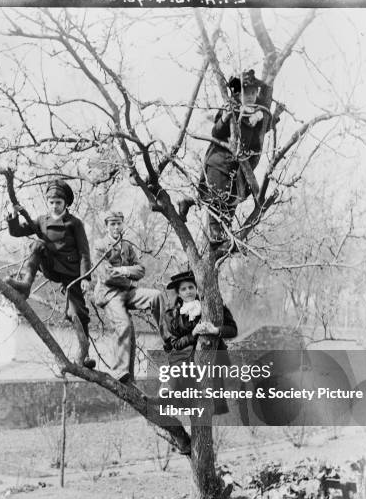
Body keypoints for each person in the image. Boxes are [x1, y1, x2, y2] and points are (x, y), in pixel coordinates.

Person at [178, 69, 282, 245]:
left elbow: (261, 131)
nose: (250, 96)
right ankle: (216, 234)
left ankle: (200, 211)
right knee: (217, 199)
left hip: (238, 167)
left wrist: (275, 116)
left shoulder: (257, 113)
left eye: (253, 93)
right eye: (246, 93)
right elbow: (216, 131)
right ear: (238, 93)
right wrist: (226, 117)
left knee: (232, 199)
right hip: (220, 162)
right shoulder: (231, 107)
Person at [5, 179, 95, 369]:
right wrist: (14, 215)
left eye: (58, 202)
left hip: (71, 272)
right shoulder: (42, 220)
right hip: (52, 266)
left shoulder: (74, 223)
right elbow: (16, 232)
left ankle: (85, 356)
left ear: (66, 204)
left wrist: (85, 277)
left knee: (77, 312)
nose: (54, 206)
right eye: (52, 202)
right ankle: (26, 284)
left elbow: (84, 252)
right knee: (36, 245)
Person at [93, 211, 169, 384]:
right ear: (106, 226)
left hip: (128, 291)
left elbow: (141, 270)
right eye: (112, 224)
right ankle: (120, 371)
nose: (116, 227)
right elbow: (106, 276)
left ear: (123, 224)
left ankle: (168, 338)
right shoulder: (99, 246)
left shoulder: (127, 246)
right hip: (110, 294)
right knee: (124, 324)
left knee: (156, 296)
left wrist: (124, 270)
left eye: (119, 223)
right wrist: (128, 275)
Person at [162, 270, 238, 416]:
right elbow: (175, 344)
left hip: (211, 359)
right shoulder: (173, 315)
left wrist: (216, 330)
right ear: (178, 293)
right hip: (185, 362)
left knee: (207, 404)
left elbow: (233, 329)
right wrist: (193, 333)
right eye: (183, 289)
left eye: (191, 287)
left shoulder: (214, 305)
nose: (188, 291)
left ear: (196, 288)